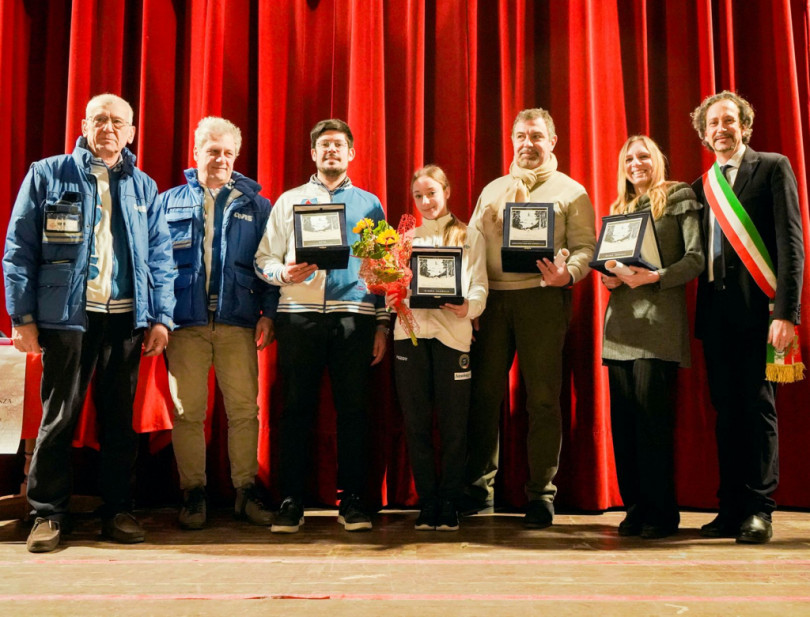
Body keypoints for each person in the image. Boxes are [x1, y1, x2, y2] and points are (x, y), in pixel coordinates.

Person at [3, 93, 176, 552]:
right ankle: (46, 514)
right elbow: (18, 250)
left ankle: (118, 510)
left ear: (132, 132)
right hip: (67, 321)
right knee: (59, 417)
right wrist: (22, 317)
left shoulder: (144, 187)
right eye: (100, 120)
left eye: (118, 122)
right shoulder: (47, 174)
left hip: (125, 322)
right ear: (84, 125)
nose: (109, 129)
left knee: (120, 421)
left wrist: (161, 317)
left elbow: (160, 258)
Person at [254, 118, 388, 533]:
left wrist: (382, 323)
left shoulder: (370, 204)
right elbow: (263, 259)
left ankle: (353, 501)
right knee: (295, 411)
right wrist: (283, 275)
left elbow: (384, 271)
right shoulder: (288, 201)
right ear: (313, 154)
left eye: (339, 145)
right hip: (298, 317)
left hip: (356, 317)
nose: (331, 151)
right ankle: (291, 500)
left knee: (353, 412)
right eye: (324, 145)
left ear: (351, 153)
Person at [465, 107, 596, 527]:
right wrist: (472, 302)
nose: (528, 144)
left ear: (552, 142)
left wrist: (568, 274)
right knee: (484, 399)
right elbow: (469, 248)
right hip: (494, 305)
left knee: (542, 399)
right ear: (512, 141)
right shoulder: (493, 190)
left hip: (542, 301)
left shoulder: (571, 192)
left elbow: (586, 248)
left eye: (537, 136)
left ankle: (541, 493)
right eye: (521, 136)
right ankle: (479, 491)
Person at [690, 91, 804, 544]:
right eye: (713, 123)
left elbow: (791, 245)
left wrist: (786, 313)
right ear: (704, 134)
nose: (721, 129)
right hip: (716, 318)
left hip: (762, 316)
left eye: (729, 121)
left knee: (758, 410)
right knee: (726, 412)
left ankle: (759, 509)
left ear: (745, 126)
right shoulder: (703, 186)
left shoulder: (772, 167)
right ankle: (731, 506)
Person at [159, 117, 278, 530]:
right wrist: (157, 316)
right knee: (188, 412)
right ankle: (193, 492)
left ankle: (246, 491)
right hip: (184, 325)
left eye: (228, 153)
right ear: (196, 154)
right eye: (213, 151)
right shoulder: (167, 202)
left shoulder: (257, 205)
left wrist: (270, 314)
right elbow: (153, 264)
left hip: (238, 324)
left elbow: (270, 263)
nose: (221, 159)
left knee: (245, 411)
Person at [599, 136, 704, 539]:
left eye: (643, 156)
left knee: (652, 425)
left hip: (659, 327)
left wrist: (656, 277)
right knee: (624, 427)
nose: (635, 163)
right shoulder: (619, 209)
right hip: (620, 327)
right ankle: (635, 509)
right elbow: (616, 268)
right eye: (628, 158)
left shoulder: (677, 197)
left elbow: (695, 258)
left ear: (657, 160)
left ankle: (662, 513)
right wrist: (610, 278)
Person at [390, 165, 488, 531]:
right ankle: (428, 502)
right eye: (419, 196)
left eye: (432, 193)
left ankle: (450, 502)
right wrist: (391, 293)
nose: (426, 201)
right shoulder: (405, 239)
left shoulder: (469, 235)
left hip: (453, 336)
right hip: (409, 336)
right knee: (415, 425)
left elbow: (479, 283)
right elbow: (392, 289)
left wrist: (469, 307)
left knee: (453, 426)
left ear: (446, 191)